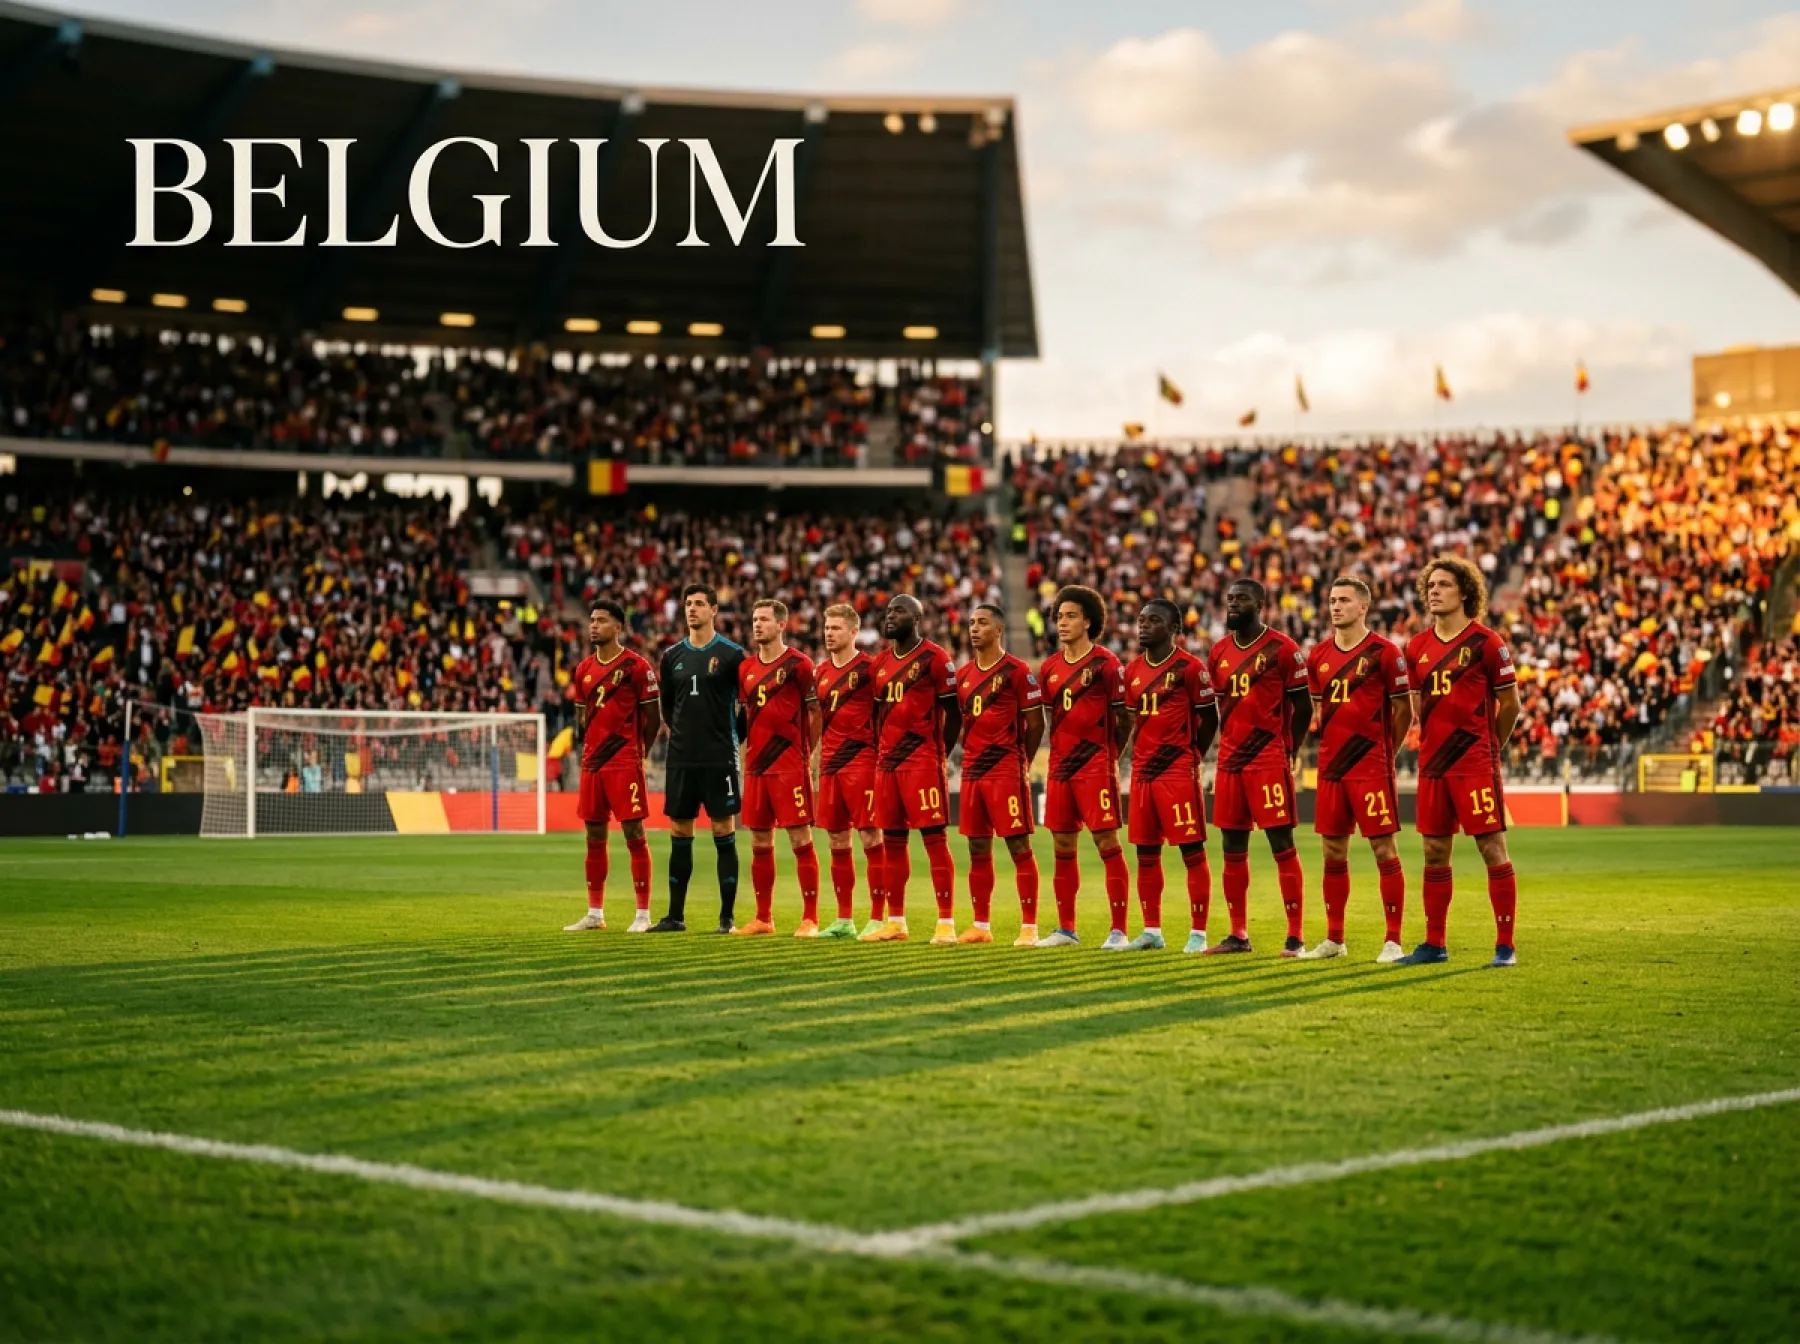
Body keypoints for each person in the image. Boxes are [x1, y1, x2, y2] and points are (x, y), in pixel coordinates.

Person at [1401, 555, 1521, 967]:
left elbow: (1511, 705)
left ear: (1465, 592)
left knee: (1491, 847)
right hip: (1433, 765)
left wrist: (1491, 747)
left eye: (1444, 585)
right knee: (1434, 850)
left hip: (1475, 763)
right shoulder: (1415, 647)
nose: (1434, 591)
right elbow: (1419, 708)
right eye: (1430, 585)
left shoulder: (1486, 642)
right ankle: (1435, 944)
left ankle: (1505, 946)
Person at [1298, 576, 1412, 963]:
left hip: (1371, 767)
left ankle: (1393, 940)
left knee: (1383, 849)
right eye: (1332, 599)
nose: (1335, 606)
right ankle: (1334, 939)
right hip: (1332, 768)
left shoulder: (1385, 653)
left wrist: (1385, 753)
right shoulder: (1318, 656)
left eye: (1344, 600)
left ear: (1363, 607)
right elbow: (1319, 710)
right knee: (1332, 850)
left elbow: (1403, 712)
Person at [1204, 578, 1311, 956]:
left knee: (1281, 844)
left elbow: (1304, 708)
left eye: (1242, 598)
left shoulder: (1283, 649)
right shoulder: (1218, 652)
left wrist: (1289, 749)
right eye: (1229, 598)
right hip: (1230, 762)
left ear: (1260, 604)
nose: (1233, 604)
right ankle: (1238, 935)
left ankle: (1295, 936)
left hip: (1267, 760)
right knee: (1232, 846)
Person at [862, 593, 961, 944]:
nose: (890, 616)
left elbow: (954, 715)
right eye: (888, 611)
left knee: (934, 840)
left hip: (922, 763)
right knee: (892, 842)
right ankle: (896, 922)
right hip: (887, 766)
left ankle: (946, 923)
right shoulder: (880, 664)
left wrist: (939, 754)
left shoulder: (936, 659)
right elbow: (876, 717)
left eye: (899, 611)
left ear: (916, 619)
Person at [1121, 598, 1218, 953]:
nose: (1143, 625)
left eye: (1153, 621)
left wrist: (1191, 754)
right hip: (1143, 774)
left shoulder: (1190, 669)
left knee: (1191, 852)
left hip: (1177, 772)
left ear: (1173, 629)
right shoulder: (1131, 671)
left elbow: (1210, 719)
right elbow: (1131, 722)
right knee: (1146, 854)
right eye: (1141, 619)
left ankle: (1198, 933)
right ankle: (1151, 931)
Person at [1038, 585, 1132, 948]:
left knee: (1106, 840)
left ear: (1089, 621)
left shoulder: (1106, 664)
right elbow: (1051, 718)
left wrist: (1108, 756)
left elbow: (1123, 719)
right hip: (1060, 767)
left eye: (1071, 615)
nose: (1063, 622)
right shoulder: (1049, 667)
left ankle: (1119, 931)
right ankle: (1066, 929)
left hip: (1095, 765)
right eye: (1059, 616)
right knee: (1062, 843)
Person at [649, 584, 746, 934]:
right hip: (681, 758)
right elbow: (667, 706)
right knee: (679, 829)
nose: (692, 609)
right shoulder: (672, 656)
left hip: (719, 757)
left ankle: (727, 919)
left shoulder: (733, 655)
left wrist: (730, 739)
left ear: (714, 610)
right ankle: (675, 916)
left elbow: (744, 707)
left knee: (723, 829)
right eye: (688, 604)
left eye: (699, 604)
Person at [564, 600, 661, 932]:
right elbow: (581, 717)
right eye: (592, 620)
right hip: (593, 764)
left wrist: (639, 751)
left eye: (601, 621)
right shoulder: (583, 670)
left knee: (634, 833)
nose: (593, 625)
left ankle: (643, 914)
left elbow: (653, 719)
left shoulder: (636, 667)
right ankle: (595, 913)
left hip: (624, 762)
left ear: (618, 627)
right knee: (594, 835)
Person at [955, 602, 1045, 945]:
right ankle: (981, 925)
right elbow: (963, 725)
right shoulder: (963, 676)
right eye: (971, 623)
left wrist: (1022, 760)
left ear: (999, 630)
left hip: (1005, 770)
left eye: (982, 623)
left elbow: (1036, 724)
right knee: (977, 847)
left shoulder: (1017, 671)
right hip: (973, 773)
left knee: (1018, 845)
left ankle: (1029, 927)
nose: (974, 628)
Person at [737, 598, 821, 936]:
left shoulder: (799, 665)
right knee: (759, 840)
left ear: (781, 625)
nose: (757, 625)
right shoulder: (745, 669)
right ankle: (763, 918)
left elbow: (815, 712)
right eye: (755, 619)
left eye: (765, 620)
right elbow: (747, 716)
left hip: (789, 765)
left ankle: (810, 918)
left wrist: (807, 752)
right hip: (757, 766)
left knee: (800, 837)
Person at [814, 604, 883, 939]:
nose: (829, 633)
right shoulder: (821, 672)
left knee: (871, 835)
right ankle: (844, 919)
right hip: (830, 765)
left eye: (836, 628)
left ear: (854, 632)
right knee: (837, 839)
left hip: (863, 763)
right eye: (827, 627)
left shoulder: (870, 669)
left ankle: (879, 916)